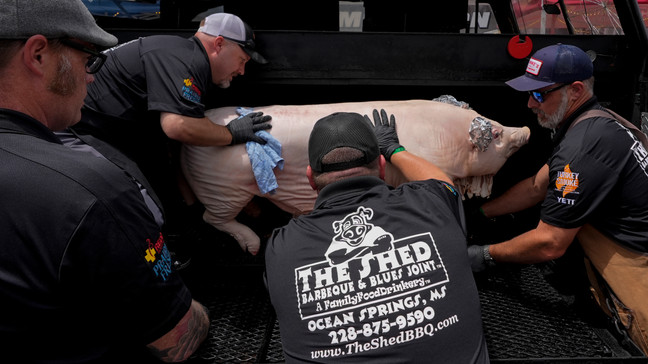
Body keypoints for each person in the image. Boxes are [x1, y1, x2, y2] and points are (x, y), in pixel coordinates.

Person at [0, 0, 210, 362]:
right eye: (89, 58)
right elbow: (175, 340)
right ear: (37, 55)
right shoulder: (92, 189)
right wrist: (199, 312)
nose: (92, 75)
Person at [265, 110, 489, 363]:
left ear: (310, 178)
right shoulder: (431, 203)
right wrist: (394, 149)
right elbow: (444, 184)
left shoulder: (282, 247)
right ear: (382, 167)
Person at [468, 43, 648, 354]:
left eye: (539, 94)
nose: (529, 104)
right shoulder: (597, 119)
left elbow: (550, 243)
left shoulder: (585, 146)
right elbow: (538, 185)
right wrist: (479, 213)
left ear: (575, 90)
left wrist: (482, 255)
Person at [72, 12, 273, 259]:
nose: (242, 70)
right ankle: (151, 266)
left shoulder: (181, 53)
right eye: (242, 59)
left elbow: (172, 144)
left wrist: (192, 211)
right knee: (141, 197)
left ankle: (182, 237)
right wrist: (230, 133)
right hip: (84, 128)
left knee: (160, 170)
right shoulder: (186, 60)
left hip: (116, 128)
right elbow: (178, 126)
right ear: (219, 44)